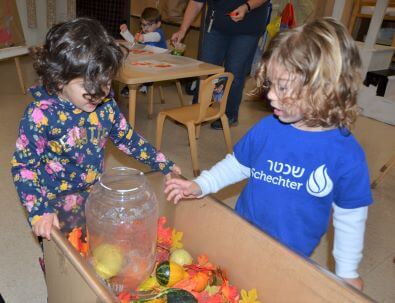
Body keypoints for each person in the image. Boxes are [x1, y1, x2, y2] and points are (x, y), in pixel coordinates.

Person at [165, 17, 373, 290]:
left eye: (283, 87)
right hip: (242, 232)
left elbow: (350, 217)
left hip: (290, 256)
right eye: (271, 84)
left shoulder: (346, 155)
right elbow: (237, 165)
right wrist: (200, 184)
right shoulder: (268, 129)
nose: (271, 95)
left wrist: (347, 271)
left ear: (322, 88)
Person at [10, 18, 180, 240]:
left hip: (93, 192)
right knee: (63, 255)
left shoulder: (105, 106)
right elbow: (24, 166)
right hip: (52, 201)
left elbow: (128, 140)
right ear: (59, 79)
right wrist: (39, 210)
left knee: (94, 242)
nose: (100, 94)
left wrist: (163, 164)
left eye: (107, 83)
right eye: (88, 86)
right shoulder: (39, 115)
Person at [172, 0, 270, 129]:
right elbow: (196, 2)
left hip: (248, 27)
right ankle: (198, 111)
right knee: (205, 70)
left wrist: (247, 7)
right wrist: (182, 30)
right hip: (216, 24)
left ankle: (229, 115)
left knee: (234, 72)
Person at [120, 7, 167, 95]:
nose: (144, 28)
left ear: (158, 24)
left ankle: (137, 84)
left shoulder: (159, 33)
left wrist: (143, 38)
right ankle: (138, 83)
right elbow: (134, 43)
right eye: (142, 24)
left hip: (160, 62)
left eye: (148, 25)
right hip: (147, 60)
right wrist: (125, 32)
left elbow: (154, 37)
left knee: (138, 65)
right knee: (131, 61)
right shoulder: (145, 33)